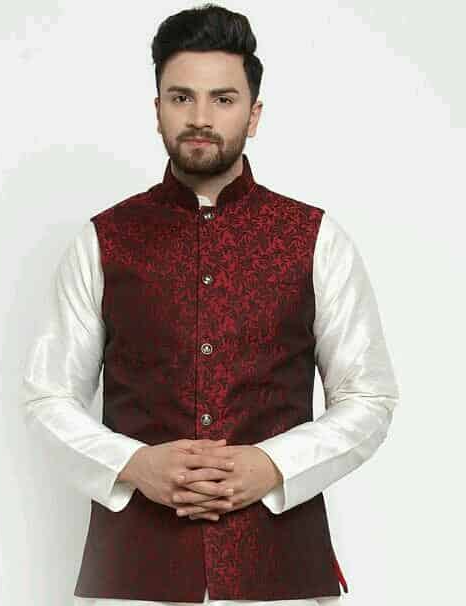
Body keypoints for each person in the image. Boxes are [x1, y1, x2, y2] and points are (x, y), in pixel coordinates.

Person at [21, 3, 399, 606]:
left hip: (280, 578)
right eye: (182, 98)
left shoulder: (314, 239)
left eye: (223, 99)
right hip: (133, 578)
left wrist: (273, 465)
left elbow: (370, 398)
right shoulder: (104, 241)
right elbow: (47, 398)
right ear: (157, 110)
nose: (200, 118)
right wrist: (134, 464)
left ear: (254, 114)